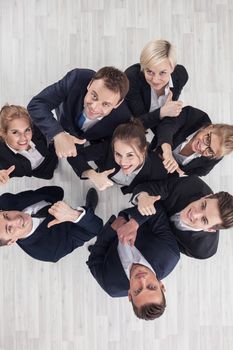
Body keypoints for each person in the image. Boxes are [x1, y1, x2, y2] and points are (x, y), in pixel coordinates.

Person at [87, 202, 180, 320]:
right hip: (133, 219)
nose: (142, 280)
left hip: (110, 242)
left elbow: (94, 261)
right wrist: (133, 222)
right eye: (151, 286)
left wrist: (110, 231)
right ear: (161, 285)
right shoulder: (169, 253)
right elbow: (157, 209)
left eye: (138, 290)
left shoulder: (111, 286)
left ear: (130, 295)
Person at [27, 66, 131, 159]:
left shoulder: (122, 119)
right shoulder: (76, 78)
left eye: (105, 104)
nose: (94, 108)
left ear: (118, 104)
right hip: (65, 118)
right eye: (94, 96)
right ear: (90, 84)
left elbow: (107, 147)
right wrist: (57, 134)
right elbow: (37, 104)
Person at [129, 176, 233, 259]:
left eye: (204, 220)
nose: (195, 214)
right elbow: (149, 188)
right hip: (148, 212)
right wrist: (142, 197)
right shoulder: (191, 185)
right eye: (203, 205)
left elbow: (170, 246)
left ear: (209, 229)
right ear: (205, 197)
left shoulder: (202, 250)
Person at [0, 187, 103, 262]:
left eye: (6, 215)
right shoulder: (50, 251)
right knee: (87, 216)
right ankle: (89, 209)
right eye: (9, 229)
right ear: (12, 241)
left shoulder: (5, 201)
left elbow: (33, 193)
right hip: (74, 226)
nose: (17, 219)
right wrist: (74, 215)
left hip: (52, 197)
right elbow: (96, 229)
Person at [68, 119, 171, 194]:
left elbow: (160, 188)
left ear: (143, 150)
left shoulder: (159, 169)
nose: (123, 162)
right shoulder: (107, 149)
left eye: (130, 155)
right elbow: (74, 156)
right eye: (118, 154)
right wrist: (92, 174)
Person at [125, 39, 188, 131]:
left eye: (162, 72)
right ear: (143, 67)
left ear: (172, 69)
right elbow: (137, 124)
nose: (155, 80)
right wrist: (162, 112)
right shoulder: (132, 78)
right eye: (149, 71)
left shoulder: (181, 75)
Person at [152, 105, 233, 176]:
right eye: (208, 139)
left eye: (210, 151)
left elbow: (202, 172)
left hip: (167, 173)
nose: (202, 148)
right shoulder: (193, 115)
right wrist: (167, 152)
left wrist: (180, 171)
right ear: (210, 127)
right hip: (154, 150)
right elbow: (166, 127)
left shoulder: (215, 155)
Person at [0, 105, 58, 184]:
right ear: (4, 134)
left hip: (50, 152)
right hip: (39, 171)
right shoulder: (2, 157)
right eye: (15, 132)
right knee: (48, 174)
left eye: (27, 130)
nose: (23, 137)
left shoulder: (35, 126)